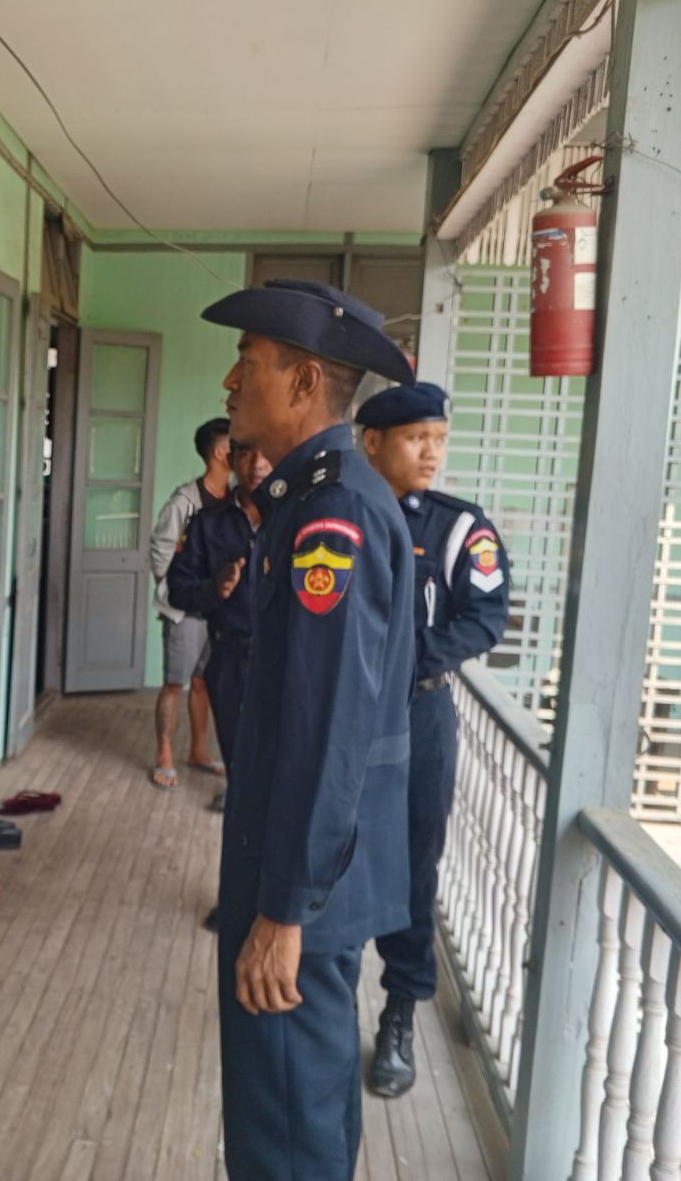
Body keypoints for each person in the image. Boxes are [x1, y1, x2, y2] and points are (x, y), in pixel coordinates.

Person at [201, 279, 417, 1181]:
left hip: (303, 885)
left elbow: (328, 729)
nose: (229, 381)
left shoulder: (333, 513)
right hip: (301, 868)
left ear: (303, 382)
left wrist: (284, 910)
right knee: (297, 1114)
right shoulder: (312, 497)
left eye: (247, 364)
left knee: (287, 1133)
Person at [356, 381, 511, 1099]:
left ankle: (399, 1013)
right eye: (417, 438)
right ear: (373, 442)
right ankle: (322, 997)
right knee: (331, 848)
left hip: (420, 714)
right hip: (346, 717)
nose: (431, 453)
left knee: (413, 867)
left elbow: (484, 617)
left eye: (439, 440)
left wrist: (404, 660)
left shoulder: (457, 527)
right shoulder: (342, 515)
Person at [167, 441, 271, 932]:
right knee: (244, 784)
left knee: (283, 785)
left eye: (267, 455)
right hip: (231, 661)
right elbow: (177, 587)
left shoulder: (298, 520)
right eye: (246, 454)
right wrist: (216, 588)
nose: (257, 465)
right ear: (231, 459)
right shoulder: (208, 524)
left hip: (286, 667)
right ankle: (238, 902)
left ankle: (279, 906)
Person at [147, 417, 233, 789]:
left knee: (203, 682)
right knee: (174, 683)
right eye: (235, 446)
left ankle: (198, 750)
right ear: (220, 453)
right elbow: (160, 550)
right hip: (186, 612)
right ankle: (164, 754)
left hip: (218, 611)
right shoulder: (185, 501)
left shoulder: (233, 498)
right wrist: (174, 589)